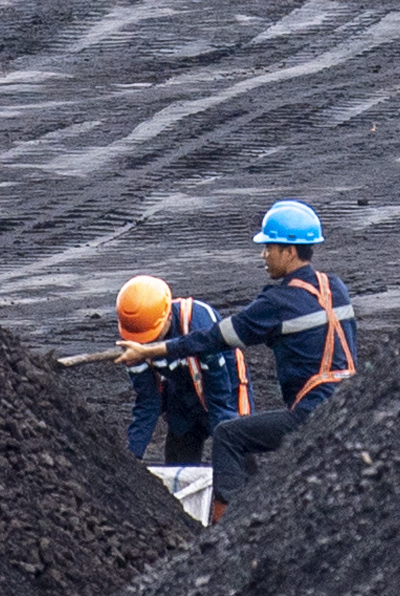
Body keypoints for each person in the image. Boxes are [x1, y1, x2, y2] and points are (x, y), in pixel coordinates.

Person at [120, 198, 358, 520]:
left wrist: (150, 351)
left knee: (228, 435)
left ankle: (229, 528)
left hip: (312, 412)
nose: (264, 255)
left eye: (268, 247)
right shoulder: (336, 287)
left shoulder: (277, 302)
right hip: (352, 403)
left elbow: (213, 338)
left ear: (289, 251)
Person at [115, 273, 246, 466]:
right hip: (181, 393)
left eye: (152, 337)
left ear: (168, 316)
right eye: (142, 340)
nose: (146, 344)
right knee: (178, 461)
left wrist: (228, 443)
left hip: (226, 383)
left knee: (237, 449)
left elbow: (219, 394)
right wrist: (131, 458)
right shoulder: (134, 339)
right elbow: (148, 402)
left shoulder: (197, 322)